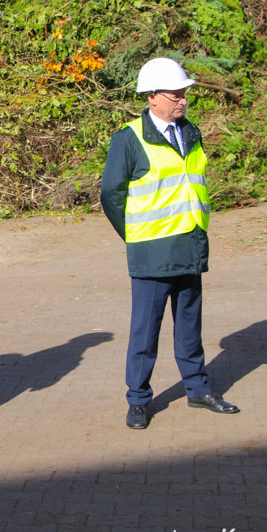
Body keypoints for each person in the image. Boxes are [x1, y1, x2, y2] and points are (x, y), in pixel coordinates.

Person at [100, 57, 240, 430]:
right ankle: (139, 400)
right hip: (151, 252)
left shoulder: (189, 132)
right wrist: (134, 236)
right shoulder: (129, 138)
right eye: (175, 94)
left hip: (190, 246)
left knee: (190, 326)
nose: (182, 100)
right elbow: (110, 193)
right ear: (151, 97)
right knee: (145, 332)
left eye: (184, 94)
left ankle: (198, 389)